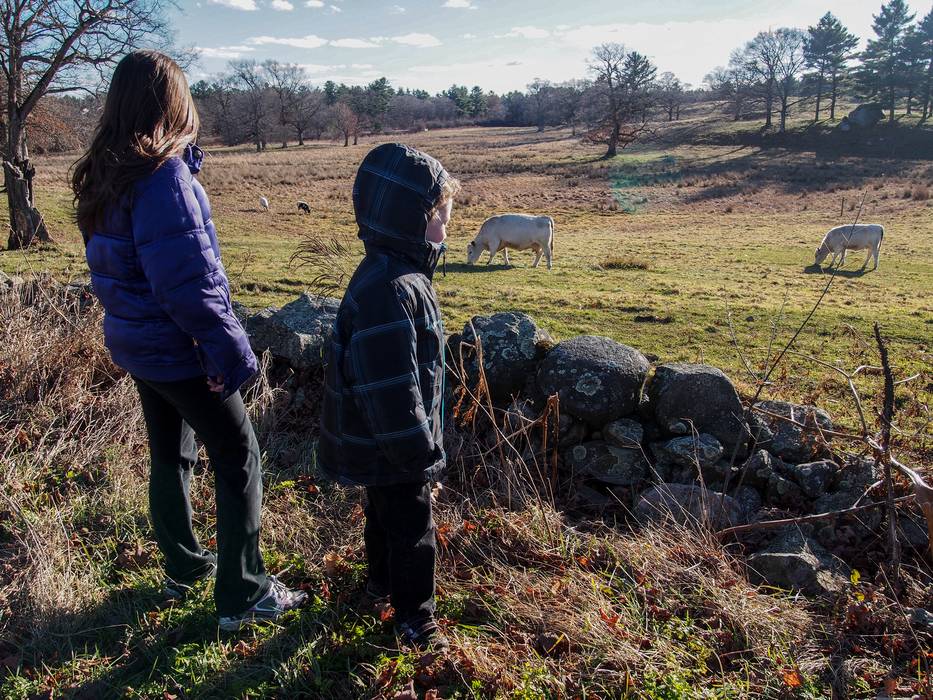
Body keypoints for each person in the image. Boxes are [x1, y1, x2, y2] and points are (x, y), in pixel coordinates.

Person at [72, 50, 306, 631]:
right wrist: (231, 353)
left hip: (138, 346)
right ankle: (244, 594)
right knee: (240, 456)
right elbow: (189, 287)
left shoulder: (108, 173)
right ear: (171, 103)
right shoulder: (162, 178)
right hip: (180, 349)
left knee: (171, 452)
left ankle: (183, 566)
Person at [318, 143, 458, 650]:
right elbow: (390, 384)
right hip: (395, 443)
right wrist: (417, 452)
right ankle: (415, 619)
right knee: (411, 529)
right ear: (412, 220)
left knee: (383, 515)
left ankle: (378, 586)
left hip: (385, 442)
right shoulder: (390, 289)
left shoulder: (398, 275)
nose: (447, 230)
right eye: (441, 218)